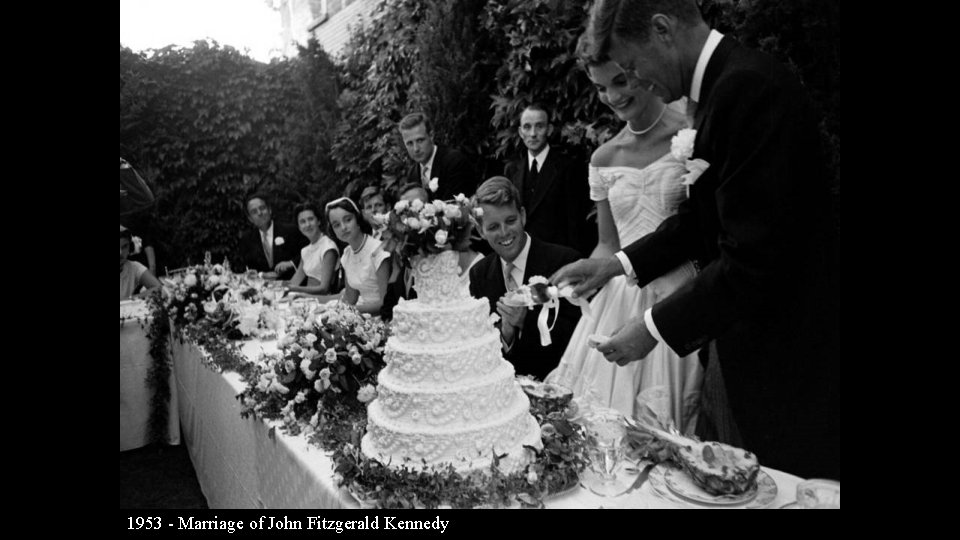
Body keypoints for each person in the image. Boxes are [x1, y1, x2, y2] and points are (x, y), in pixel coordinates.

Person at [553, 0, 839, 478]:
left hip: (789, 353)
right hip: (742, 339)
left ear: (663, 30)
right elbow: (697, 223)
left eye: (632, 66)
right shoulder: (717, 93)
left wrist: (651, 328)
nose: (637, 81)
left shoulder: (747, 89)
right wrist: (616, 264)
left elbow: (751, 259)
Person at [545, 40, 702, 433]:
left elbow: (703, 227)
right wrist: (588, 277)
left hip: (686, 295)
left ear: (641, 68)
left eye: (620, 80)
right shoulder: (604, 158)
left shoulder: (691, 130)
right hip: (622, 298)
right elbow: (608, 245)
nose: (612, 97)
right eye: (600, 88)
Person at [469, 177, 581, 380]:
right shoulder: (479, 274)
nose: (504, 233)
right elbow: (481, 348)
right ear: (480, 231)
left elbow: (578, 335)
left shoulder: (563, 262)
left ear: (522, 216)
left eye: (510, 221)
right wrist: (506, 334)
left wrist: (526, 321)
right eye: (493, 227)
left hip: (558, 383)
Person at [503, 103, 595, 256]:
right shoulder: (512, 170)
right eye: (527, 127)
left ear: (549, 130)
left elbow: (575, 224)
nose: (533, 133)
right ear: (520, 132)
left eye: (539, 126)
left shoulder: (568, 168)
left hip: (559, 257)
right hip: (523, 257)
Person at [326, 196, 391, 316]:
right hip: (360, 318)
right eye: (336, 225)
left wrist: (348, 311)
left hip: (383, 319)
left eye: (348, 220)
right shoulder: (347, 254)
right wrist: (329, 310)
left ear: (357, 219)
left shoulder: (378, 250)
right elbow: (350, 299)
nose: (343, 228)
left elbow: (385, 303)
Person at [399, 112, 478, 201]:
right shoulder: (412, 174)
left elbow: (459, 207)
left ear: (431, 135)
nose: (416, 148)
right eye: (409, 143)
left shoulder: (454, 162)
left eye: (420, 140)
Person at [238, 194, 306, 281]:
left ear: (269, 210)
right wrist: (261, 275)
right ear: (250, 219)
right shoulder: (246, 239)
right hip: (262, 289)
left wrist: (291, 263)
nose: (260, 213)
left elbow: (307, 254)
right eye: (254, 212)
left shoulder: (290, 230)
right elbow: (246, 269)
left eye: (262, 208)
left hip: (292, 285)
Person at [283, 202, 340, 296]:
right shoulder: (305, 251)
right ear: (299, 227)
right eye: (302, 222)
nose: (307, 224)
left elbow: (324, 288)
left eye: (311, 219)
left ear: (318, 221)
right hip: (305, 299)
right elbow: (294, 282)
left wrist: (295, 289)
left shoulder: (328, 247)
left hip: (323, 302)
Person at [120, 226, 161, 300]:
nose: (120, 252)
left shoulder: (134, 267)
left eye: (125, 246)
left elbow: (158, 288)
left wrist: (131, 299)